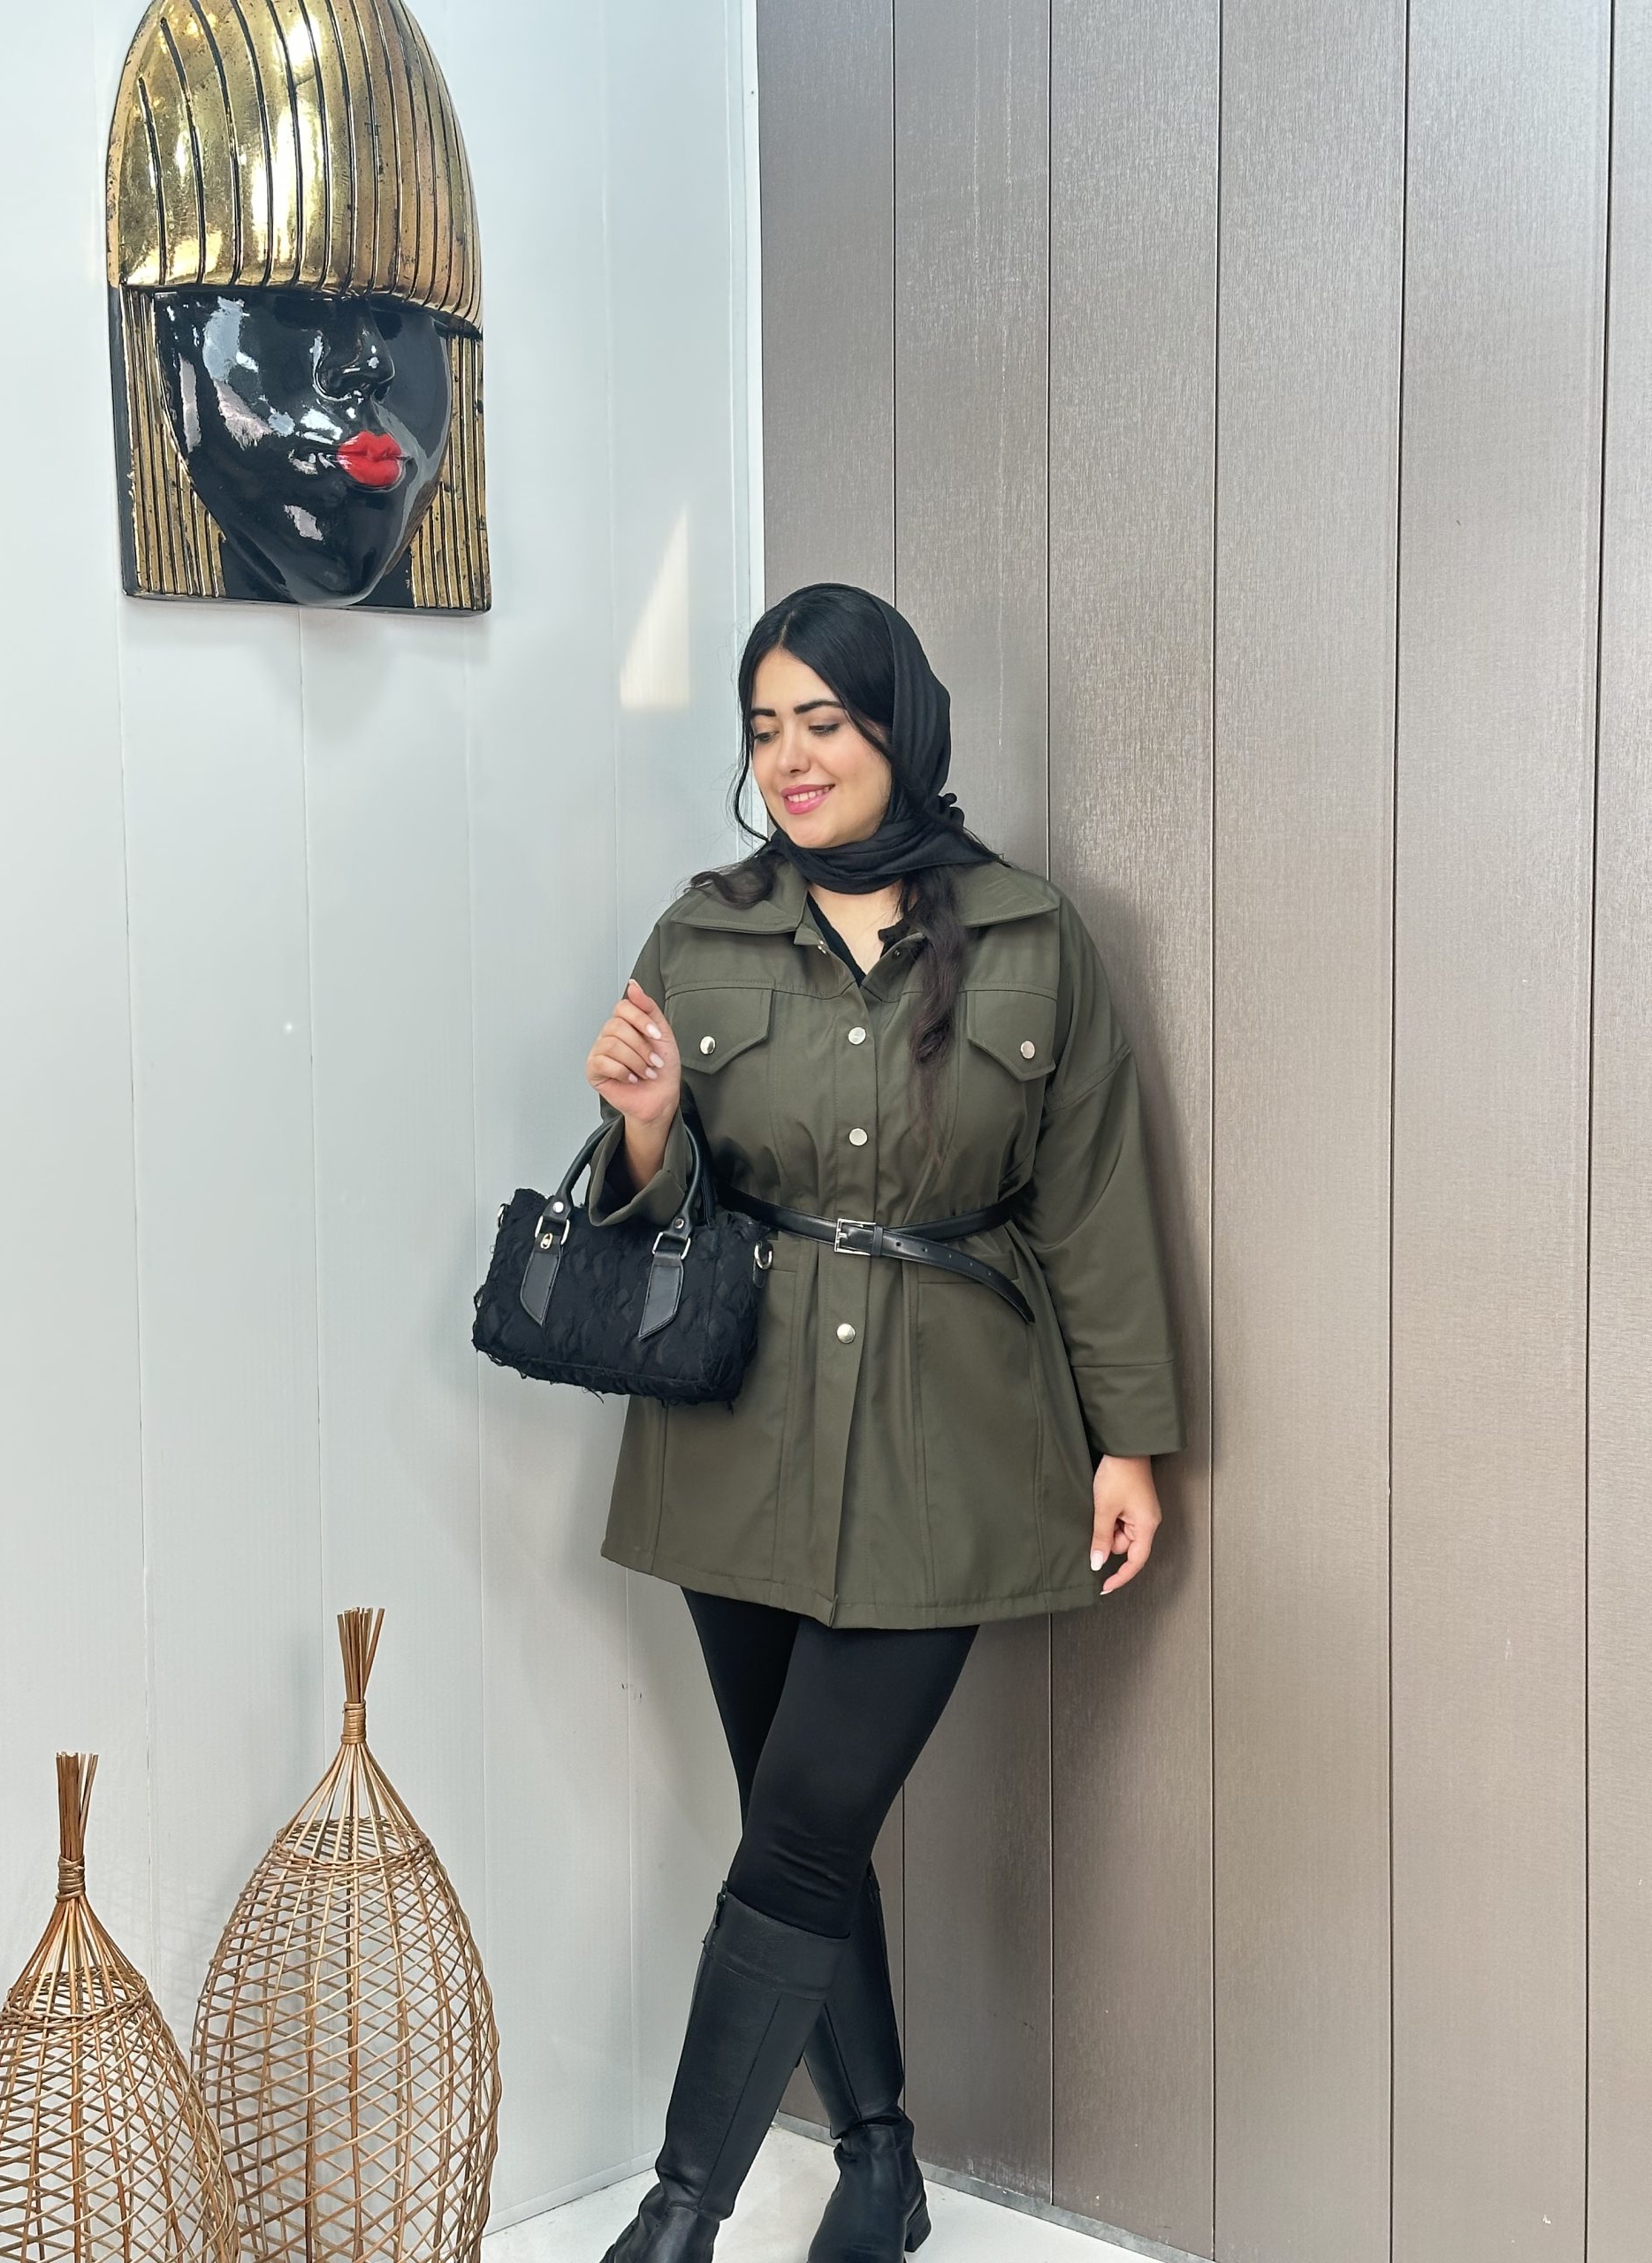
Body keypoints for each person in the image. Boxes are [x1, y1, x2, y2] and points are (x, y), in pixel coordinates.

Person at [580, 583, 1186, 2262]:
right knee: (801, 1820)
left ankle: (675, 2219)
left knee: (796, 1831)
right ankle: (882, 2164)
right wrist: (647, 1128)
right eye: (764, 728)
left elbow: (1093, 1204)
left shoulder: (1033, 935)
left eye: (824, 723)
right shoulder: (699, 934)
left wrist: (1129, 1441)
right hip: (735, 1440)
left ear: (898, 728)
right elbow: (660, 1221)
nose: (791, 759)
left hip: (953, 1445)